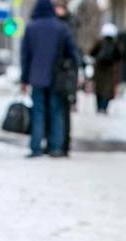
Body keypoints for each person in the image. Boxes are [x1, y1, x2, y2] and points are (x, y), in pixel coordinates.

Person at [21, 0, 80, 158]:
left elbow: (25, 56)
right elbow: (73, 53)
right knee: (56, 112)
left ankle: (36, 147)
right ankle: (55, 146)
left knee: (38, 112)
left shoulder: (31, 27)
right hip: (57, 77)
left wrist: (24, 79)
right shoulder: (61, 27)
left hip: (36, 76)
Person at [53, 0, 81, 155]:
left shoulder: (68, 26)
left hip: (66, 72)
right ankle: (58, 143)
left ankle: (63, 144)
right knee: (59, 109)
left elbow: (73, 52)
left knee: (63, 109)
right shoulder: (61, 24)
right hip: (59, 72)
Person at [91, 23, 123, 114]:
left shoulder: (99, 42)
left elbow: (92, 53)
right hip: (109, 68)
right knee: (107, 89)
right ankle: (104, 107)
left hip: (99, 68)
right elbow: (119, 56)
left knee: (99, 88)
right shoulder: (115, 43)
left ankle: (98, 107)